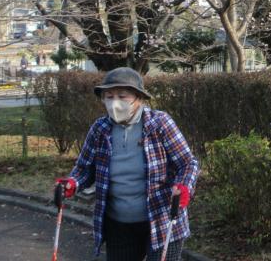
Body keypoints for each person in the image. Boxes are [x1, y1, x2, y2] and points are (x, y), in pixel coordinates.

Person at [55, 67, 199, 260]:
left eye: (122, 96)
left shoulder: (159, 124)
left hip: (162, 219)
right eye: (109, 96)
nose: (115, 103)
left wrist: (184, 187)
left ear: (139, 98)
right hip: (119, 224)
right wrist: (72, 183)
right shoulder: (100, 129)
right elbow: (85, 168)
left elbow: (187, 163)